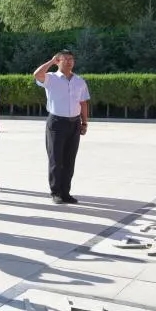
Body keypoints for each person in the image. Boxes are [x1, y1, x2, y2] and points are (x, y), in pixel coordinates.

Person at [34, 49, 90, 204]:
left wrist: (84, 122)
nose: (69, 62)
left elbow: (83, 103)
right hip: (57, 123)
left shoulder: (79, 81)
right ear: (58, 61)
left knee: (69, 160)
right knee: (56, 159)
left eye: (71, 59)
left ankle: (66, 192)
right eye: (65, 59)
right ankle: (56, 192)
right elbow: (36, 74)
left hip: (74, 123)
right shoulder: (51, 78)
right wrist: (51, 61)